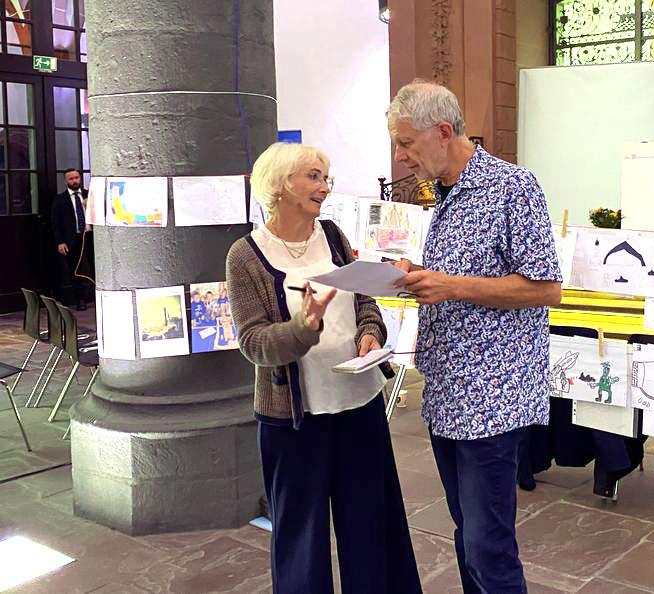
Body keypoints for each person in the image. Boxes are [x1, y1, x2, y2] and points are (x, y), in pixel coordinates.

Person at [388, 80, 563, 593]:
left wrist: (451, 285)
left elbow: (546, 288)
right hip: (447, 392)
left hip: (491, 397)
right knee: (467, 535)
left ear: (443, 131)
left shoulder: (513, 188)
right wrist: (418, 276)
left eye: (406, 143)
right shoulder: (443, 195)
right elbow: (462, 281)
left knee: (489, 545)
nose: (400, 157)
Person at [226, 142, 422, 594]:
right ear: (280, 185)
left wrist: (370, 334)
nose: (324, 186)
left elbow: (365, 304)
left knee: (370, 524)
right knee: (301, 536)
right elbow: (254, 343)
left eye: (325, 177)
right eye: (313, 176)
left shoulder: (332, 235)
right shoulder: (246, 256)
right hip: (294, 422)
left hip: (359, 406)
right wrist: (305, 326)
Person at [50, 168, 91, 310]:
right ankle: (80, 299)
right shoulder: (60, 199)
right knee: (75, 269)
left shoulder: (89, 195)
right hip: (72, 239)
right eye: (71, 179)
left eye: (76, 177)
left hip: (90, 237)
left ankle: (96, 295)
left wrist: (90, 206)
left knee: (92, 266)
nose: (74, 181)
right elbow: (55, 223)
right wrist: (60, 242)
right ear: (66, 181)